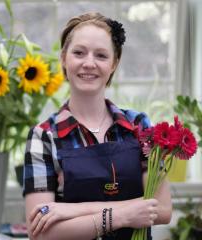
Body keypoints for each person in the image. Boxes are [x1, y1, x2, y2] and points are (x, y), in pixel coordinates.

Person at [23, 12, 172, 240]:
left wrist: (70, 210)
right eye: (79, 52)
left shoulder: (139, 126)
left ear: (114, 64)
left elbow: (162, 210)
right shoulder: (43, 137)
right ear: (64, 58)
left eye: (101, 55)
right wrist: (120, 216)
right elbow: (40, 232)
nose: (89, 63)